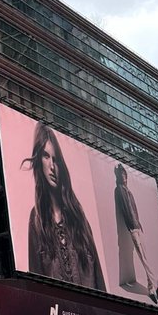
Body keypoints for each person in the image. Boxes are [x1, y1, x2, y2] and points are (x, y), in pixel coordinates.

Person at [23, 121, 105, 291]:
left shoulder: (77, 214)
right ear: (39, 161)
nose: (52, 166)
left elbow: (97, 275)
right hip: (57, 314)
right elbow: (35, 282)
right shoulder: (37, 220)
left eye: (56, 159)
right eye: (46, 156)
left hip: (90, 314)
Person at [114, 164, 158, 301]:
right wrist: (131, 226)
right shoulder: (119, 190)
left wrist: (139, 224)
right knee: (143, 258)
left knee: (145, 256)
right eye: (121, 175)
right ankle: (154, 283)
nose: (124, 177)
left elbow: (134, 210)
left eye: (124, 174)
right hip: (132, 228)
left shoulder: (129, 191)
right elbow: (125, 210)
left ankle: (152, 286)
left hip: (138, 226)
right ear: (118, 177)